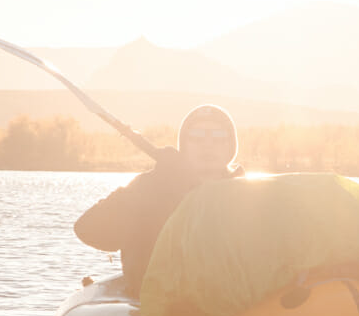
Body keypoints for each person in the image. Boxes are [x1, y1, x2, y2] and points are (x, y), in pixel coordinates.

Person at [73, 104, 240, 296]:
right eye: (197, 136)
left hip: (233, 305)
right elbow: (88, 230)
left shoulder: (249, 195)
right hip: (160, 305)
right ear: (184, 146)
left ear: (230, 146)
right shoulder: (152, 186)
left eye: (219, 136)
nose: (208, 144)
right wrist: (152, 184)